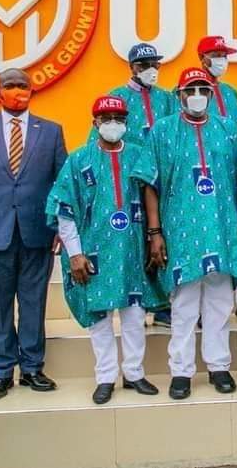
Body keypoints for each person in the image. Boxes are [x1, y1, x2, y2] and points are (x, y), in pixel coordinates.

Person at [132, 67, 237, 400]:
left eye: (202, 90)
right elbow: (149, 182)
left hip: (221, 228)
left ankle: (218, 366)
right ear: (179, 95)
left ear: (211, 94)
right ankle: (181, 371)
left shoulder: (228, 129)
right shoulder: (163, 131)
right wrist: (155, 231)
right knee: (183, 306)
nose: (197, 96)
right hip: (180, 231)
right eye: (190, 90)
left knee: (219, 303)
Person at [47, 96, 167, 404]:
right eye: (106, 118)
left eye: (119, 118)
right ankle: (105, 378)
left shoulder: (139, 156)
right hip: (93, 253)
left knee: (134, 315)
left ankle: (134, 374)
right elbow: (64, 209)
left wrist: (154, 237)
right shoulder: (79, 160)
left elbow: (156, 197)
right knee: (99, 318)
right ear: (95, 123)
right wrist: (75, 253)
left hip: (132, 252)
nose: (113, 123)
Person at [0, 68, 67, 401]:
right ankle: (2, 372)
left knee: (34, 301)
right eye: (11, 86)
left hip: (38, 231)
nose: (18, 91)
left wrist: (62, 227)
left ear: (32, 91)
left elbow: (62, 185)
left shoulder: (51, 131)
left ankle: (32, 368)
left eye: (23, 86)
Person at [88, 43, 175, 328]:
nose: (151, 69)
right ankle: (134, 300)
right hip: (127, 180)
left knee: (161, 237)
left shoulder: (167, 98)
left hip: (162, 179)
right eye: (144, 65)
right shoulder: (117, 98)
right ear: (132, 67)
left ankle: (163, 305)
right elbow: (98, 143)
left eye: (155, 64)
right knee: (136, 240)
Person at [197, 35, 237, 138]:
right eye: (216, 55)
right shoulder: (189, 91)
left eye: (224, 56)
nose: (221, 60)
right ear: (202, 58)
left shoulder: (231, 91)